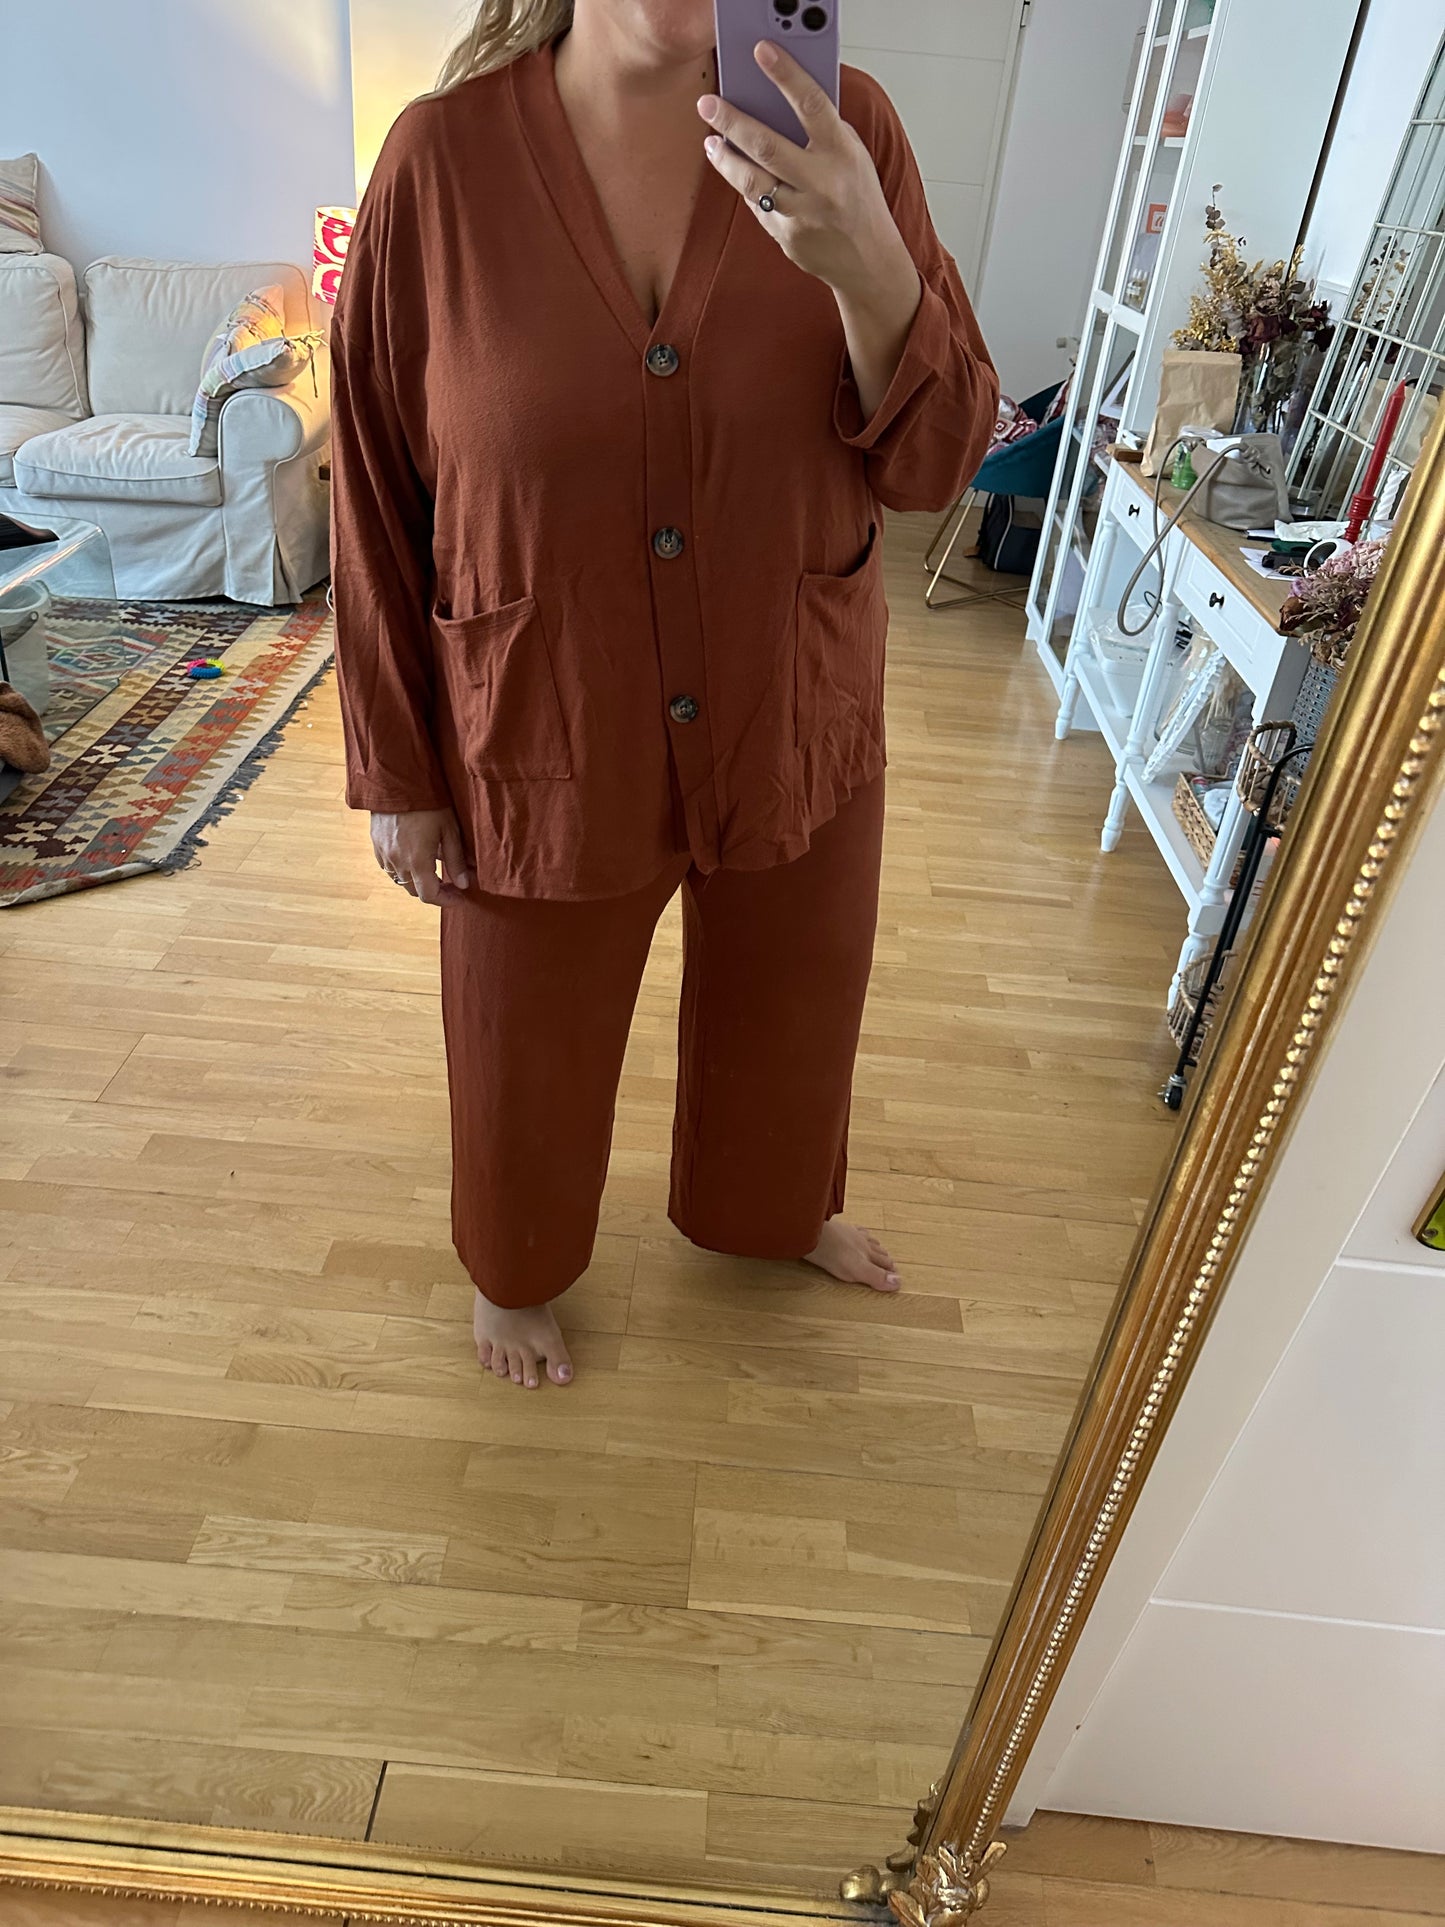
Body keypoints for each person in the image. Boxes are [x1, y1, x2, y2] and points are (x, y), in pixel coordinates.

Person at [329, 0, 998, 1392]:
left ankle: (772, 1214)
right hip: (541, 717)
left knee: (794, 998)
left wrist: (871, 274)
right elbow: (378, 495)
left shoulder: (847, 128)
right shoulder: (438, 165)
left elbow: (935, 468)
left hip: (789, 691)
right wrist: (398, 767)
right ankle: (513, 1267)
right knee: (523, 1039)